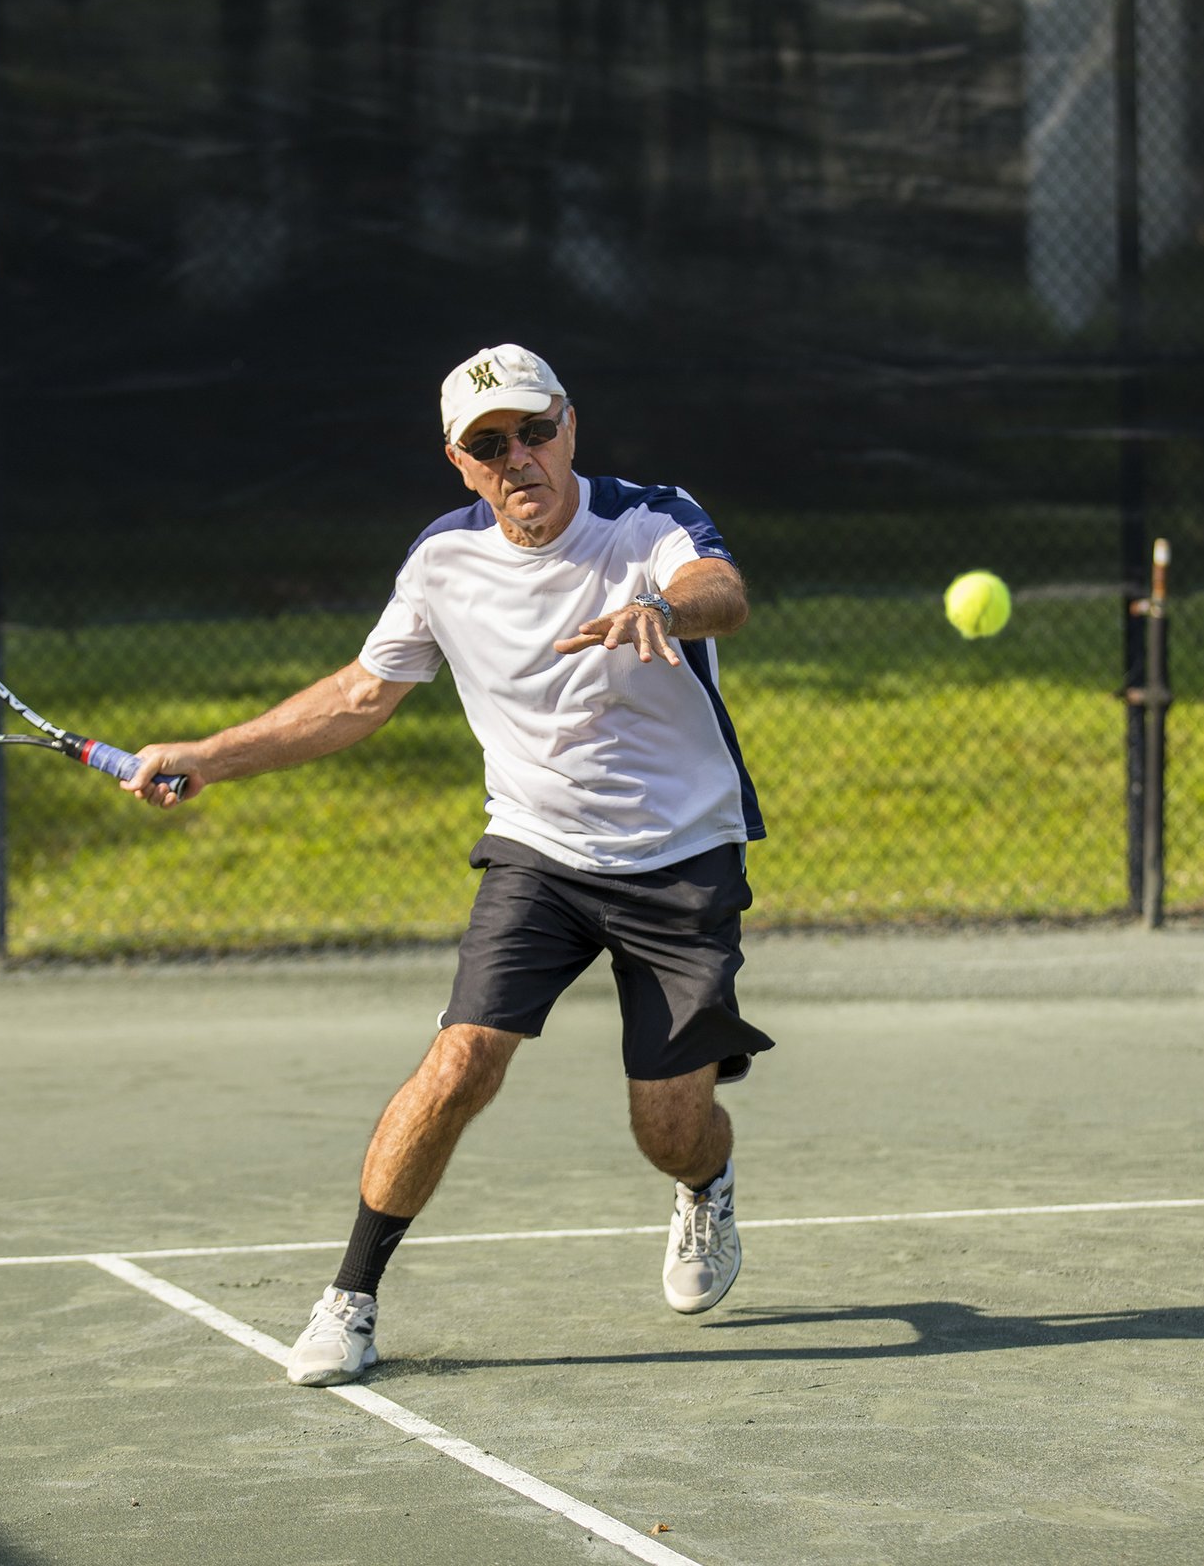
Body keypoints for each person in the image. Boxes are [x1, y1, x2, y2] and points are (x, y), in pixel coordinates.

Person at [124, 343, 772, 1387]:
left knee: (670, 1129)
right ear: (459, 464)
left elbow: (722, 590)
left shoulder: (648, 522)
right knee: (461, 1060)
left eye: (533, 430)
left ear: (571, 425)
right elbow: (357, 697)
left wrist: (666, 609)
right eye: (489, 444)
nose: (519, 457)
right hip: (538, 855)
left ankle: (707, 1183)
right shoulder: (442, 563)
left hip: (679, 859)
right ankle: (351, 1299)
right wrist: (206, 758)